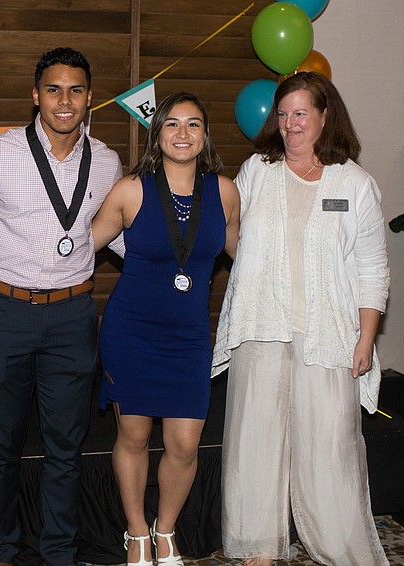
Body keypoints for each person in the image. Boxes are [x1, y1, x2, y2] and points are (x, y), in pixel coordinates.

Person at [212, 71, 390, 566]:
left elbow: (373, 269)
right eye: (283, 114)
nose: (290, 124)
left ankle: (342, 548)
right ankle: (257, 548)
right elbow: (236, 240)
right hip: (261, 327)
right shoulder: (256, 170)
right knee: (254, 441)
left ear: (325, 116)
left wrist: (366, 338)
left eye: (301, 113)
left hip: (329, 334)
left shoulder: (355, 184)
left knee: (330, 449)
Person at [0, 47, 123, 566]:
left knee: (65, 448)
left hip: (72, 318)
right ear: (35, 95)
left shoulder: (106, 162)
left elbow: (118, 235)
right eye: (54, 90)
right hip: (6, 313)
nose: (65, 101)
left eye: (76, 90)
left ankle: (58, 552)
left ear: (89, 98)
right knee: (1, 447)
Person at [92, 91, 240, 566]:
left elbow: (250, 259)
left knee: (184, 443)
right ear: (158, 134)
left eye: (193, 124)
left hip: (190, 336)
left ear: (205, 136)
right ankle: (137, 532)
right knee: (133, 437)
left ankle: (167, 529)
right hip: (131, 332)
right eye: (172, 124)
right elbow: (77, 250)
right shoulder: (131, 189)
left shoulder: (224, 191)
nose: (182, 133)